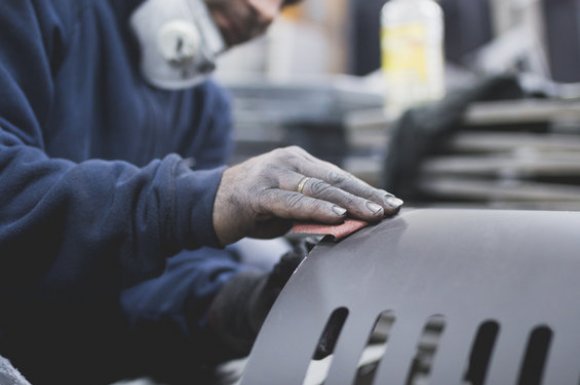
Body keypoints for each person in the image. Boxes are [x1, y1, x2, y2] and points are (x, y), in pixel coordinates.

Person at [0, 0, 403, 384]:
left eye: (285, 4)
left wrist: (241, 305)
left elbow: (148, 293)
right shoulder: (34, 11)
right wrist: (203, 199)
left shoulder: (205, 110)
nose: (265, 13)